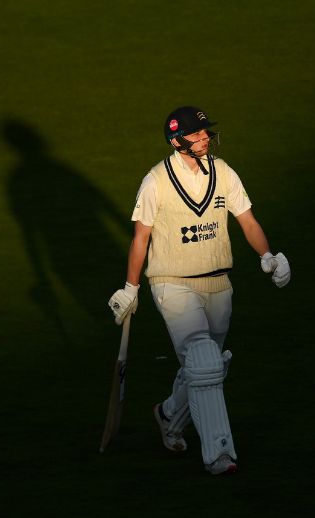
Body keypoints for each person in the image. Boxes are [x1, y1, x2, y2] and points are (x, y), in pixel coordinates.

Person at [108, 106, 290, 475]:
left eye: (206, 131)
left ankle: (169, 415)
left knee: (207, 365)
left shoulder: (223, 172)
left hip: (218, 281)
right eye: (197, 133)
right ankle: (220, 454)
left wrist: (267, 256)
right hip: (172, 281)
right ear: (177, 140)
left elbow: (247, 220)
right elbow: (141, 237)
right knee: (204, 359)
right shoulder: (156, 181)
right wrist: (131, 287)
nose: (205, 137)